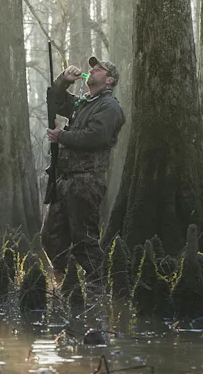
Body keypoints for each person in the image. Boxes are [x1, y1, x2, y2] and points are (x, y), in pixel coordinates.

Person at [40, 54, 125, 283]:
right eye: (93, 68)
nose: (93, 70)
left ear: (110, 80)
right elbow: (55, 102)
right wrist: (64, 80)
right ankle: (65, 285)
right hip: (65, 181)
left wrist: (62, 137)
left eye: (99, 69)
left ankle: (102, 288)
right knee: (51, 236)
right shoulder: (84, 103)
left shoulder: (109, 107)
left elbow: (96, 137)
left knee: (84, 241)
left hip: (86, 182)